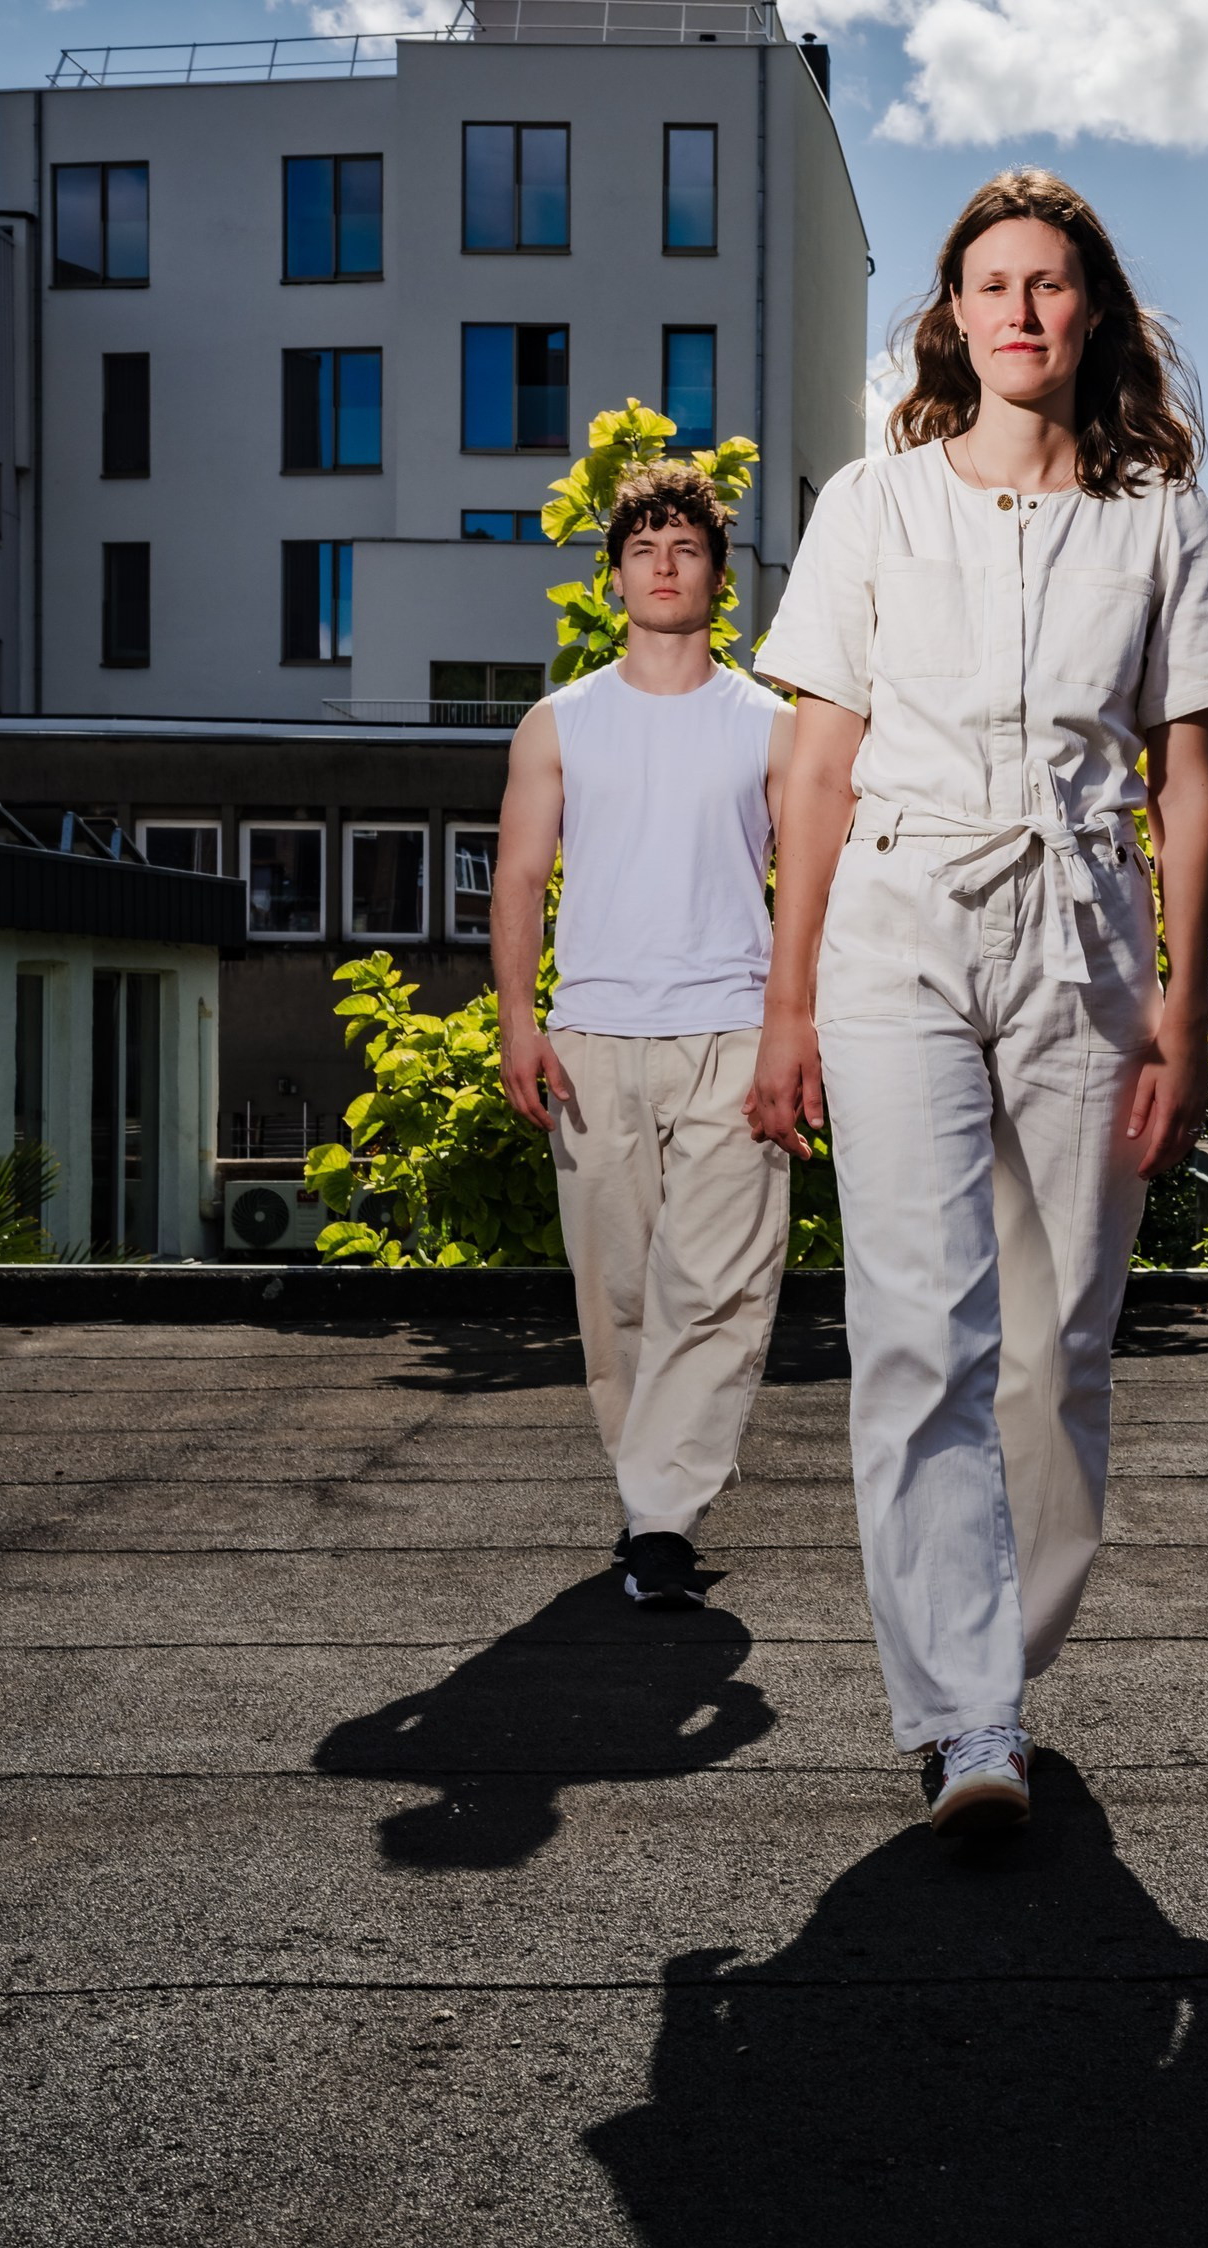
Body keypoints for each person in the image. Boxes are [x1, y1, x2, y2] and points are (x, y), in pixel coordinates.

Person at [747, 169, 1208, 1834]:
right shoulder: (869, 504)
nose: (1020, 311)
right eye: (991, 284)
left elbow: (1188, 781)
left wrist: (1186, 1014)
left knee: (1060, 1347)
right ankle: (968, 1721)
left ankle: (996, 1668)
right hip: (894, 926)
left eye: (1049, 284)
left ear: (1087, 309)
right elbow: (812, 764)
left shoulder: (1162, 520)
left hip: (1090, 942)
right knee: (922, 1329)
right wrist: (786, 1004)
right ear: (952, 314)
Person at [493, 461, 795, 1608]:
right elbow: (518, 882)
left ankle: (663, 1517)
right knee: (616, 1290)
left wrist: (791, 1032)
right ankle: (646, 1497)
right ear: (616, 573)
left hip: (733, 1030)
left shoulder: (773, 726)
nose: (664, 566)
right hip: (594, 1036)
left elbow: (810, 889)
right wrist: (521, 1024)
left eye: (686, 548)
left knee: (719, 1285)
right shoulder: (558, 721)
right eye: (643, 549)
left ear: (718, 576)